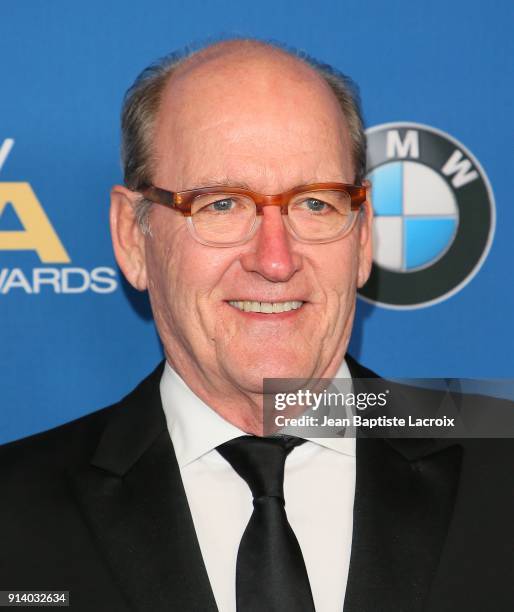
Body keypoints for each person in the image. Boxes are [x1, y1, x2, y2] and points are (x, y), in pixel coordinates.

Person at [0, 39, 512, 612]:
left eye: (316, 203)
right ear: (132, 236)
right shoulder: (12, 511)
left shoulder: (501, 458)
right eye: (221, 204)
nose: (275, 259)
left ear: (363, 235)